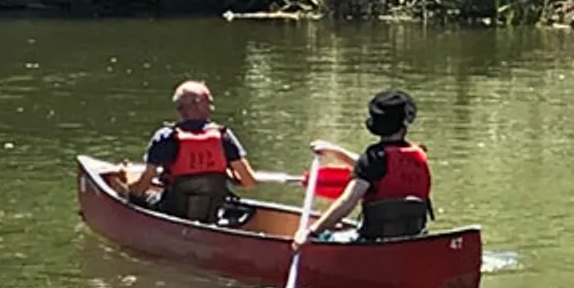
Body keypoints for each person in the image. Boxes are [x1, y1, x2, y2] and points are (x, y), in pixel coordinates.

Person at [294, 88, 433, 245]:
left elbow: (347, 202)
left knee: (327, 237)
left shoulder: (374, 159)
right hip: (412, 241)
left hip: (373, 241)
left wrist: (311, 232)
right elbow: (377, 171)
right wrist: (335, 151)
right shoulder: (419, 156)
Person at [128, 79, 260, 222]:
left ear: (181, 108)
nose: (212, 108)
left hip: (174, 213)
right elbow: (249, 181)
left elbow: (143, 185)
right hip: (210, 215)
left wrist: (129, 184)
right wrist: (226, 176)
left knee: (136, 195)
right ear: (197, 105)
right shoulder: (224, 137)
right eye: (209, 102)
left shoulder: (166, 137)